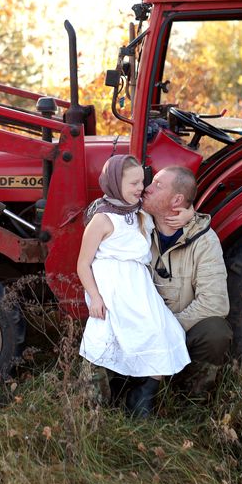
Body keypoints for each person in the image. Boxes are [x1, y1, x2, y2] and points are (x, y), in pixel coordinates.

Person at [77, 155, 191, 417]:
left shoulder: (139, 212)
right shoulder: (103, 219)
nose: (141, 188)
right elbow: (83, 264)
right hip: (111, 290)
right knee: (104, 341)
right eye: (134, 183)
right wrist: (95, 298)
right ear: (116, 183)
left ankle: (141, 398)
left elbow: (171, 215)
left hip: (139, 288)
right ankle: (100, 402)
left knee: (166, 333)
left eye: (143, 181)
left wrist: (190, 212)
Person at [142, 165, 232, 395]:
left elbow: (215, 303)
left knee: (216, 331)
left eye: (157, 185)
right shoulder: (135, 226)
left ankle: (191, 398)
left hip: (182, 329)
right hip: (141, 331)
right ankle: (128, 392)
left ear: (177, 200)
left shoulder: (204, 241)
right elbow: (96, 213)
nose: (147, 188)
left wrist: (169, 329)